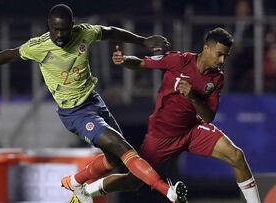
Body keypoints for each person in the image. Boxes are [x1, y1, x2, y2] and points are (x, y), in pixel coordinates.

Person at [0, 4, 187, 203]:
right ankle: (168, 192)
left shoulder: (84, 33)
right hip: (75, 113)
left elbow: (110, 32)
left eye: (64, 29)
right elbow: (11, 54)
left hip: (94, 101)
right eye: (54, 29)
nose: (59, 35)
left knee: (115, 161)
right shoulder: (38, 46)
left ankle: (76, 182)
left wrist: (142, 40)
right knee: (123, 147)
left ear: (73, 25)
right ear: (49, 26)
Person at [83, 28, 261, 203]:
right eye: (219, 54)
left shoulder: (217, 78)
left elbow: (208, 117)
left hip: (193, 131)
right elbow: (141, 63)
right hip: (162, 135)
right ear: (207, 48)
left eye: (225, 56)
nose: (222, 60)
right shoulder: (179, 60)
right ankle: (88, 190)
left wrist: (193, 96)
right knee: (133, 181)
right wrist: (123, 60)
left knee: (237, 156)